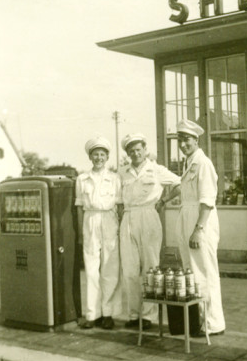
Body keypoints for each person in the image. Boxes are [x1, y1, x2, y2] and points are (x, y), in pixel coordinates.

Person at [118, 133, 181, 329]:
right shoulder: (122, 172)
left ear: (145, 150)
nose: (135, 153)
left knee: (150, 267)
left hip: (149, 215)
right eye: (131, 150)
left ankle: (147, 316)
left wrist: (163, 201)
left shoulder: (156, 170)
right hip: (128, 216)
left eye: (138, 149)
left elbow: (179, 184)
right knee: (129, 269)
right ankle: (133, 314)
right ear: (127, 153)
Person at [174, 119, 226, 336]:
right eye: (180, 140)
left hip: (201, 220)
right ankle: (201, 322)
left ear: (196, 140)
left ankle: (213, 323)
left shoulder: (203, 163)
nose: (183, 144)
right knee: (193, 272)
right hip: (188, 217)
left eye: (187, 140)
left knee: (205, 271)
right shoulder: (189, 163)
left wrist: (198, 229)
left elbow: (207, 200)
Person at [75, 136, 123, 329]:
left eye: (102, 154)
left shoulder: (115, 178)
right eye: (95, 154)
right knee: (92, 269)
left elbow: (119, 206)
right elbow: (79, 206)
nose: (99, 158)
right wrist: (80, 232)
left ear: (107, 156)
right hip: (90, 220)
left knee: (110, 268)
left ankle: (108, 314)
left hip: (109, 220)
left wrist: (119, 227)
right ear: (90, 157)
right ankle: (92, 315)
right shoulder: (82, 179)